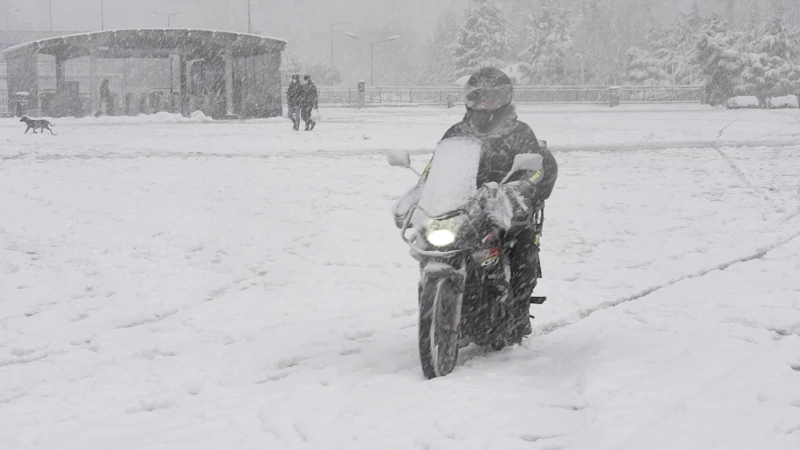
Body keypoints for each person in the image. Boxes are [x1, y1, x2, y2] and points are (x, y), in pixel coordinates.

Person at [396, 67, 558, 341]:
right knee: (430, 245)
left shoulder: (519, 132)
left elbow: (535, 170)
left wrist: (517, 190)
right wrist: (417, 192)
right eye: (478, 98)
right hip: (462, 207)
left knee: (523, 248)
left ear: (504, 99)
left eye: (491, 99)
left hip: (506, 209)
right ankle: (442, 307)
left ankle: (517, 313)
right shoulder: (457, 132)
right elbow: (436, 167)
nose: (484, 105)